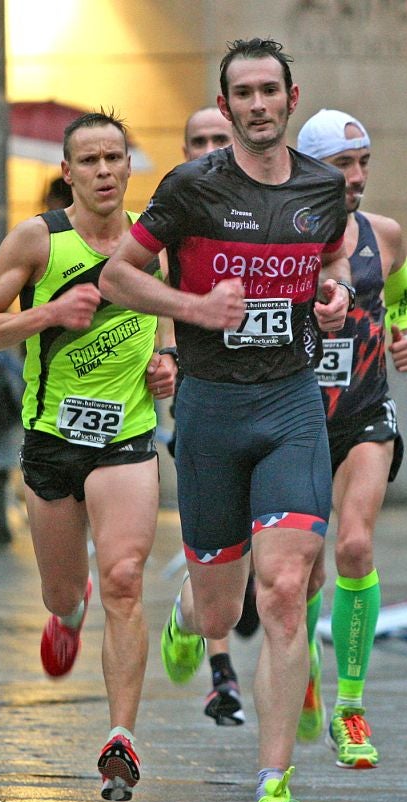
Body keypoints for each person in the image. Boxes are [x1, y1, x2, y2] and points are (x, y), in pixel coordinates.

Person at [100, 37, 351, 802]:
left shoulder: (321, 187)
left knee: (282, 593)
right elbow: (116, 278)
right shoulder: (191, 189)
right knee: (221, 605)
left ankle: (272, 787)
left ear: (289, 96)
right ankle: (186, 617)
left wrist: (330, 298)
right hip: (209, 411)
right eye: (239, 92)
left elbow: (331, 260)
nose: (254, 105)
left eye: (267, 91)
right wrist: (194, 308)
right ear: (227, 100)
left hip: (288, 406)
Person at [0, 111, 177, 802]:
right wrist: (46, 315)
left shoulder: (152, 239)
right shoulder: (38, 241)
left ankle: (121, 738)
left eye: (115, 157)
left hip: (125, 440)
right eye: (90, 160)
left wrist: (167, 359)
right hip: (52, 441)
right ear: (68, 172)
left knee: (123, 579)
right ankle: (65, 612)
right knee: (66, 590)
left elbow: (166, 309)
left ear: (128, 166)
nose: (105, 171)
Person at [294, 108, 407, 768]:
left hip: (366, 413)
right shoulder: (281, 237)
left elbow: (399, 295)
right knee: (304, 567)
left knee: (353, 542)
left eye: (364, 162)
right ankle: (304, 675)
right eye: (343, 163)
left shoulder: (385, 234)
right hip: (295, 420)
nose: (357, 176)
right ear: (310, 167)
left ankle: (350, 706)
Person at [165, 105, 253, 729]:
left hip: (270, 393)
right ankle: (221, 674)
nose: (207, 148)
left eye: (218, 139)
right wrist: (166, 350)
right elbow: (144, 284)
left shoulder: (268, 201)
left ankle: (205, 616)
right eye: (197, 140)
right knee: (215, 534)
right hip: (198, 387)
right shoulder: (176, 205)